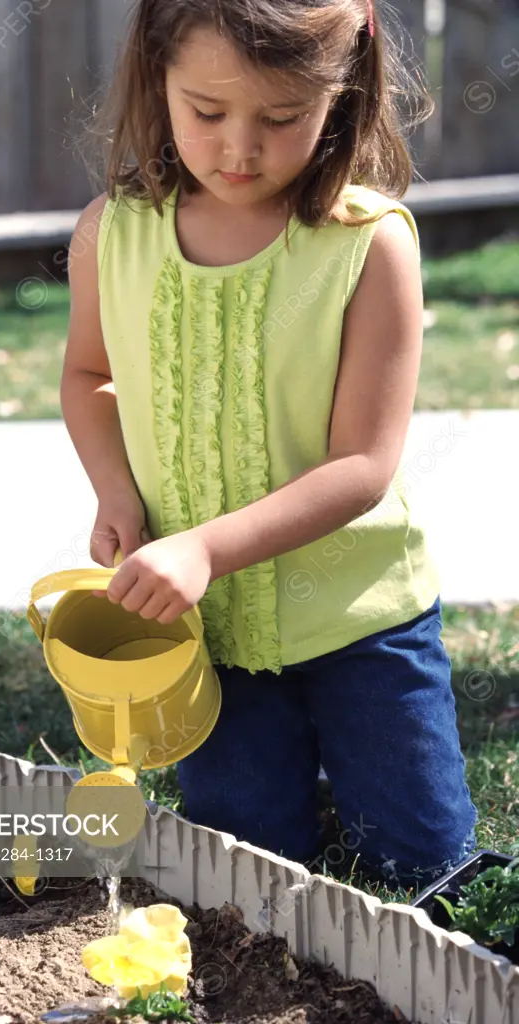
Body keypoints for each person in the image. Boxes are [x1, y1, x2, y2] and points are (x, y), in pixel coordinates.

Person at [61, 0, 477, 889]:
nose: (238, 150)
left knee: (421, 869)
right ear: (156, 78)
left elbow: (363, 467)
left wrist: (207, 545)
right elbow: (88, 377)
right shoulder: (112, 232)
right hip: (205, 635)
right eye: (206, 112)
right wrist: (117, 495)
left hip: (361, 625)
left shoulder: (367, 247)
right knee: (248, 873)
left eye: (282, 118)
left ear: (341, 93)